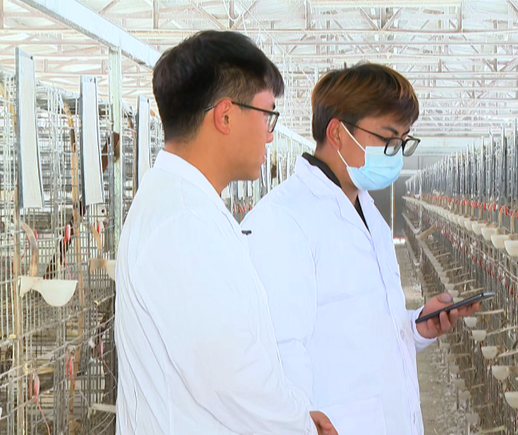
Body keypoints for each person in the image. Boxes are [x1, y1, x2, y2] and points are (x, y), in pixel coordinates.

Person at [114, 30, 336, 435]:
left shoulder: (184, 205)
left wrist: (297, 416)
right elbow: (231, 377)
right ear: (226, 116)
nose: (270, 134)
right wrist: (298, 423)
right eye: (267, 115)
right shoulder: (182, 223)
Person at [242, 63, 479, 435]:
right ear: (338, 132)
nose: (396, 152)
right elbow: (279, 352)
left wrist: (415, 326)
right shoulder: (284, 219)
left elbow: (355, 325)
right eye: (388, 137)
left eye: (402, 141)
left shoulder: (368, 213)